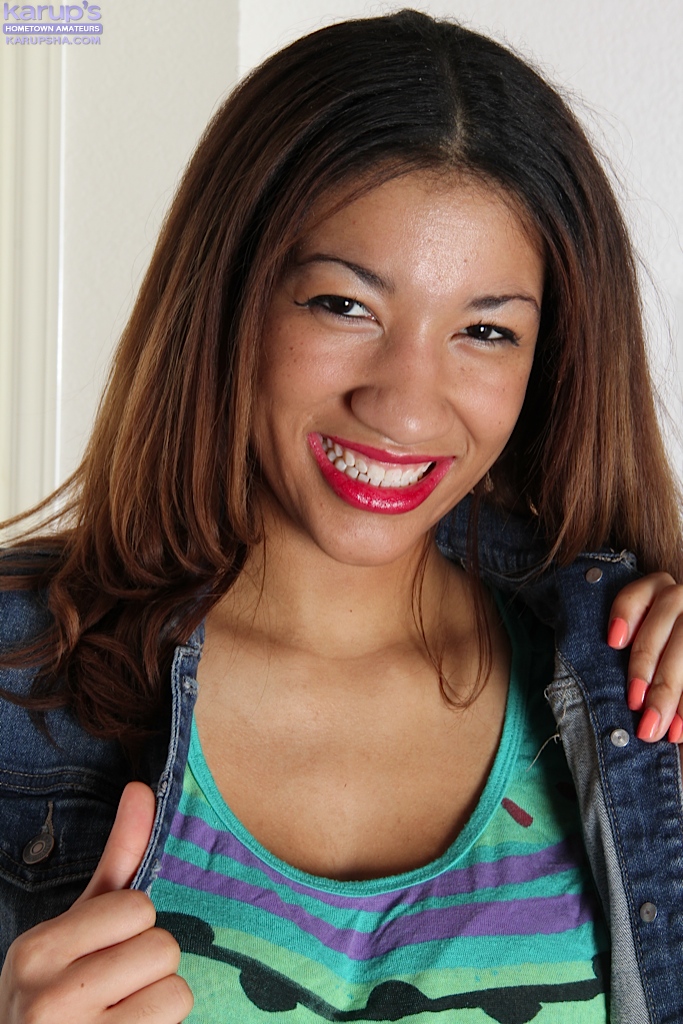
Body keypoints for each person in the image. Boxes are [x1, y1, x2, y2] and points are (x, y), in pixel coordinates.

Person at [0, 9, 682, 1023]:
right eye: (343, 305)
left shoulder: (628, 692)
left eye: (484, 331)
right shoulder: (15, 677)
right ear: (228, 296)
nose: (404, 405)